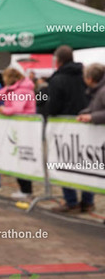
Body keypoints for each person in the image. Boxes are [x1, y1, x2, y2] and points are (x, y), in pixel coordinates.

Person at [46, 46, 93, 213]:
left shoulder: (57, 79)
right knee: (87, 164)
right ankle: (87, 201)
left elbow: (53, 106)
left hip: (65, 127)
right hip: (86, 125)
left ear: (58, 61)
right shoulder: (85, 75)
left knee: (65, 162)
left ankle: (71, 201)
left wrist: (47, 110)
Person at [0, 68, 36, 198]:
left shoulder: (22, 90)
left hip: (24, 128)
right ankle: (24, 188)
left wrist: (3, 110)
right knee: (18, 157)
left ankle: (26, 189)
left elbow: (17, 108)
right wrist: (8, 88)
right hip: (19, 128)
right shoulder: (16, 89)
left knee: (22, 158)